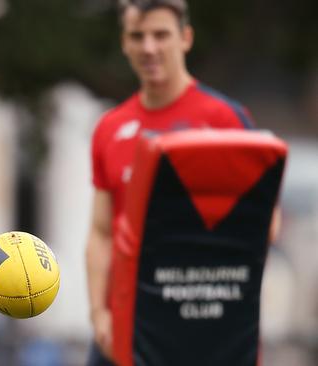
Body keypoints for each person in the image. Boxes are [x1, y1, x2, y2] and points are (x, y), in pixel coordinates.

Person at [84, 1, 257, 365]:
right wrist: (99, 315)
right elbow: (101, 232)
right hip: (125, 327)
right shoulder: (110, 127)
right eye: (137, 36)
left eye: (161, 34)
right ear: (125, 43)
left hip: (199, 328)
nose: (149, 47)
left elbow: (261, 225)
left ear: (186, 38)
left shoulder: (225, 120)